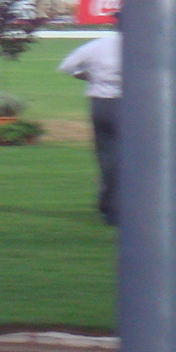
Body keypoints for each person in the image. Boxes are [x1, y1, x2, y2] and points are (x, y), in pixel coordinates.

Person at [58, 19, 122, 225]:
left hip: (101, 104)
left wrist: (90, 77)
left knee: (106, 156)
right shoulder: (144, 45)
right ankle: (120, 206)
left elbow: (68, 66)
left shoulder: (98, 45)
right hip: (130, 105)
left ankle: (108, 204)